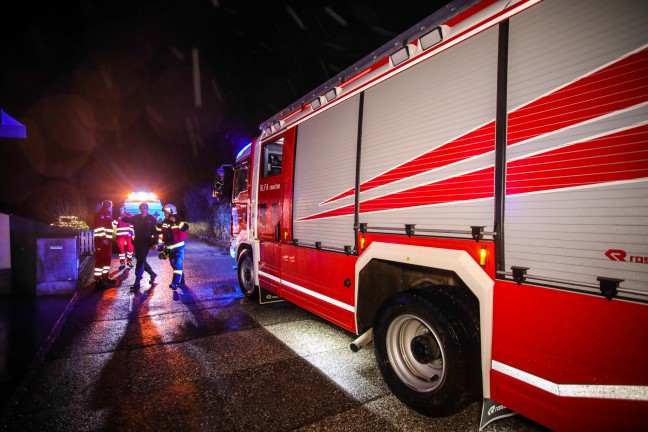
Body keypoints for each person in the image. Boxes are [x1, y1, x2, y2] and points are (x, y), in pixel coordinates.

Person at [121, 202, 159, 291]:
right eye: (142, 208)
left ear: (147, 209)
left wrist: (156, 243)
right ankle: (152, 274)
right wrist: (122, 215)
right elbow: (127, 220)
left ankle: (137, 282)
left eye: (145, 208)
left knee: (140, 260)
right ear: (140, 209)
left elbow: (155, 232)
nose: (143, 210)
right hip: (137, 242)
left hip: (146, 242)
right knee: (141, 259)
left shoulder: (152, 219)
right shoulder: (136, 217)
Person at [159, 203, 189, 289]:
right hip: (169, 249)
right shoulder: (165, 221)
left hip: (179, 248)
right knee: (174, 265)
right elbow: (160, 232)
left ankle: (175, 283)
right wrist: (158, 225)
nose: (164, 214)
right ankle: (181, 280)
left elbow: (185, 227)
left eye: (166, 212)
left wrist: (176, 221)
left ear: (171, 212)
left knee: (177, 265)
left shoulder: (179, 219)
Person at [93, 200, 118, 289]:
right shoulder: (101, 214)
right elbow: (99, 228)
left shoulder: (107, 214)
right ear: (109, 206)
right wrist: (104, 238)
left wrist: (117, 219)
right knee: (101, 260)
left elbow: (111, 226)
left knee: (107, 260)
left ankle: (105, 278)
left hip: (107, 241)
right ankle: (98, 280)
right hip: (101, 241)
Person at [113, 205, 135, 270]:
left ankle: (129, 261)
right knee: (121, 249)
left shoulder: (128, 215)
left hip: (128, 235)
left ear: (124, 209)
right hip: (120, 236)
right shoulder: (117, 216)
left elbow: (132, 225)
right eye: (120, 209)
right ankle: (122, 263)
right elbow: (113, 225)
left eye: (122, 209)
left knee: (130, 248)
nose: (121, 210)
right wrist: (118, 218)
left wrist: (130, 232)